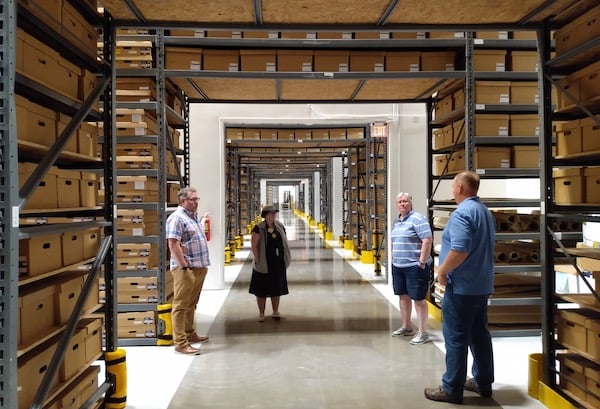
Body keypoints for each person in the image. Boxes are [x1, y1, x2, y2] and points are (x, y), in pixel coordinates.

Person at [425, 171, 496, 404]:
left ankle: (452, 388)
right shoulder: (484, 212)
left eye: (454, 186)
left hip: (462, 287)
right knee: (479, 336)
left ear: (460, 189)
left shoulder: (462, 214)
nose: (452, 190)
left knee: (456, 337)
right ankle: (483, 383)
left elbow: (460, 249)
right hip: (481, 285)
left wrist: (442, 271)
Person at [166, 187, 211, 355]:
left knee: (192, 304)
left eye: (197, 199)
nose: (196, 202)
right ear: (183, 201)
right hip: (186, 268)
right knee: (181, 305)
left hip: (198, 267)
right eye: (193, 199)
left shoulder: (192, 218)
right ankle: (180, 342)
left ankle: (190, 334)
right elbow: (173, 243)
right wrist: (184, 265)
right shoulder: (177, 218)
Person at [390, 192, 433, 345]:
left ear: (411, 203)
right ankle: (406, 326)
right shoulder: (397, 221)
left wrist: (421, 262)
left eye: (405, 201)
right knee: (403, 296)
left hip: (414, 267)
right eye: (400, 201)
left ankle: (423, 332)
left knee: (419, 299)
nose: (402, 204)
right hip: (399, 265)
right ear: (397, 204)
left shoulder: (418, 219)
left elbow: (427, 240)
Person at [250, 205, 291, 322]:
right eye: (271, 213)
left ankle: (275, 311)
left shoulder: (279, 226)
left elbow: (284, 241)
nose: (273, 215)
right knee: (261, 290)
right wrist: (257, 259)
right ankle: (261, 313)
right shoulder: (258, 228)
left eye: (274, 213)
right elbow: (254, 245)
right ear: (265, 215)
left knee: (276, 288)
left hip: (277, 263)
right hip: (263, 262)